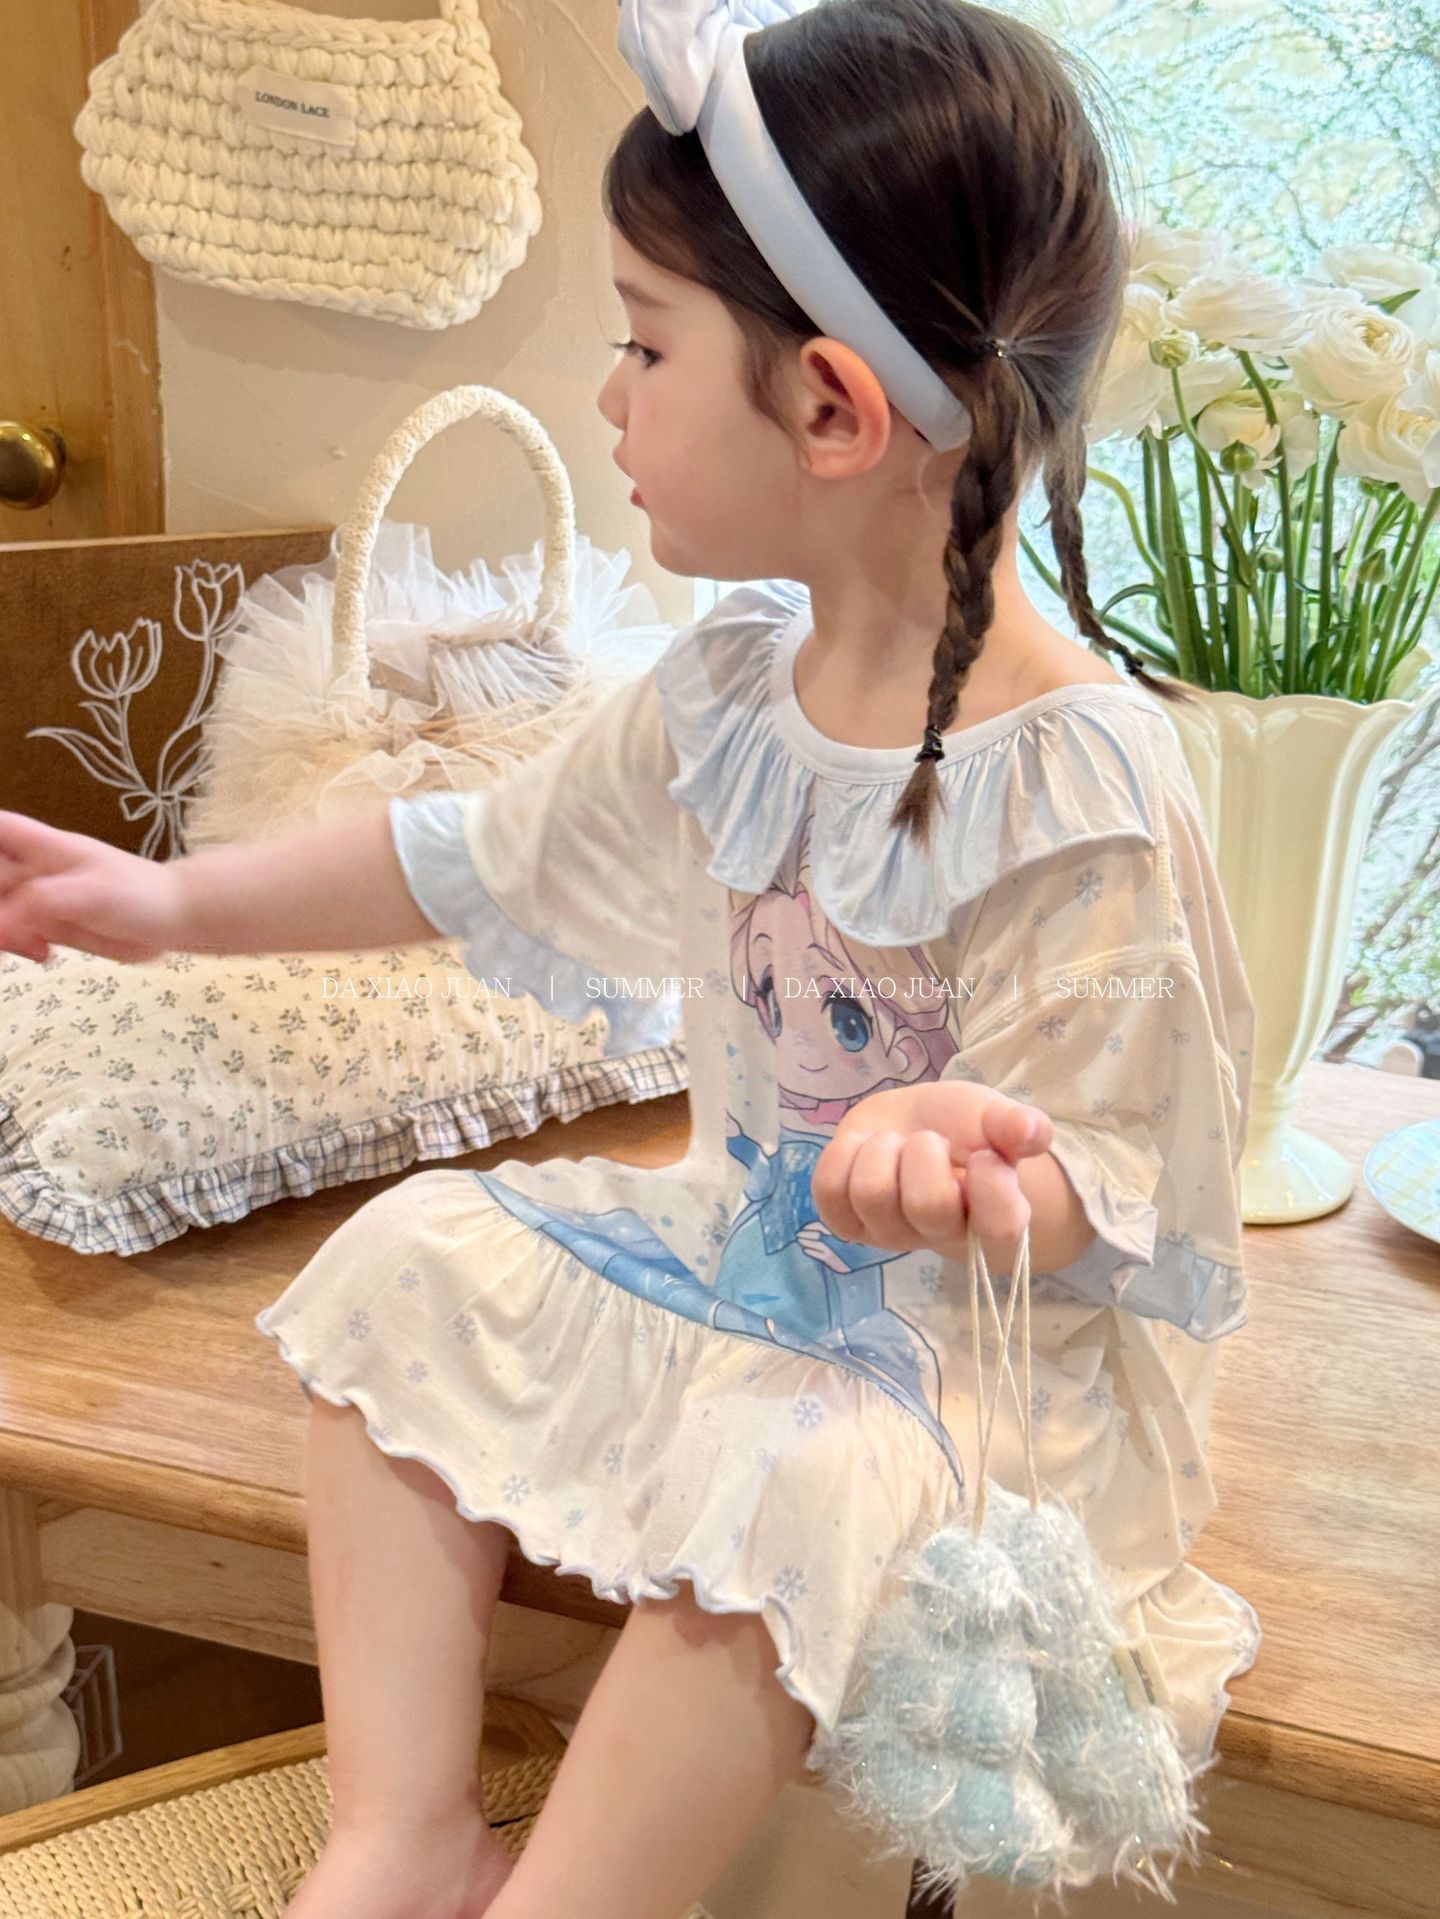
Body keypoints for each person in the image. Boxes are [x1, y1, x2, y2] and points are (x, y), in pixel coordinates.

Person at [0, 0, 1260, 1913]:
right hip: (741, 1268)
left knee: (793, 1471)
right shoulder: (727, 689)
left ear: (830, 409)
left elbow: (1129, 1175)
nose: (611, 397)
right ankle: (406, 1836)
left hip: (968, 1392)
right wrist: (161, 909)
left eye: (645, 342)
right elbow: (468, 854)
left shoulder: (1075, 776)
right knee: (414, 1260)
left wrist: (973, 1169)